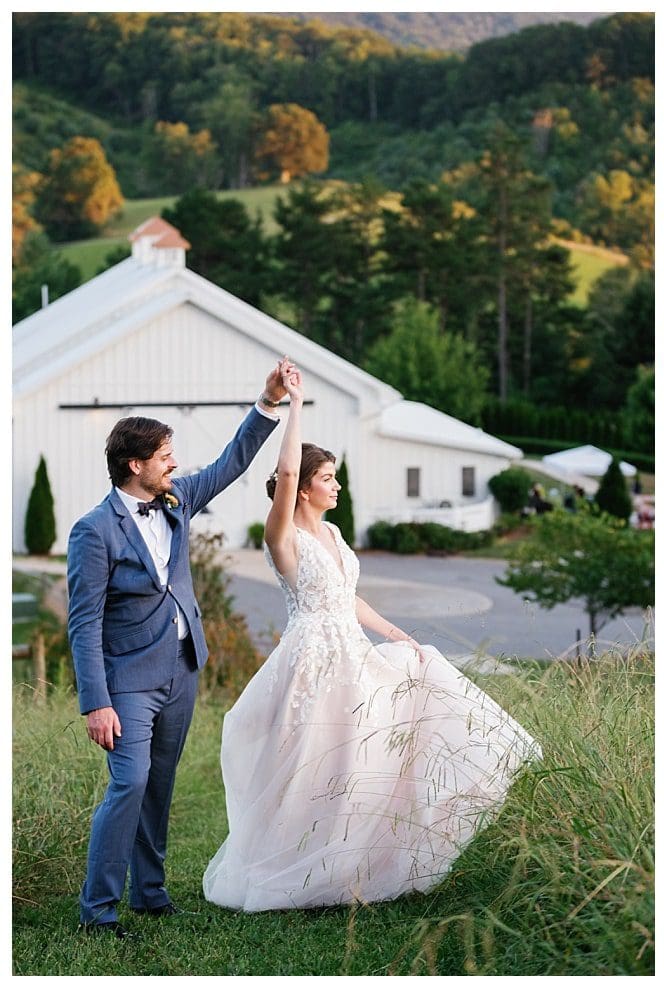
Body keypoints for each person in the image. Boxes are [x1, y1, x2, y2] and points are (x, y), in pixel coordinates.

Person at [201, 364, 541, 910]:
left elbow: (345, 595)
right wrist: (293, 406)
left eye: (336, 477)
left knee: (373, 744)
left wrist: (391, 631)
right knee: (319, 760)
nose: (336, 486)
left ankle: (358, 859)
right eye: (328, 479)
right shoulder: (281, 535)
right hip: (313, 659)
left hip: (353, 649)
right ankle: (304, 862)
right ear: (304, 489)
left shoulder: (334, 533)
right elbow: (285, 475)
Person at [69, 359, 292, 937]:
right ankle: (99, 910)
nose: (175, 462)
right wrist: (96, 701)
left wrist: (268, 402)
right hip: (127, 682)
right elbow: (83, 620)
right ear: (135, 465)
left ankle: (150, 892)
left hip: (181, 668)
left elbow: (231, 464)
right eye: (164, 455)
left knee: (160, 783)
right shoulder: (93, 530)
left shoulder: (176, 500)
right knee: (130, 782)